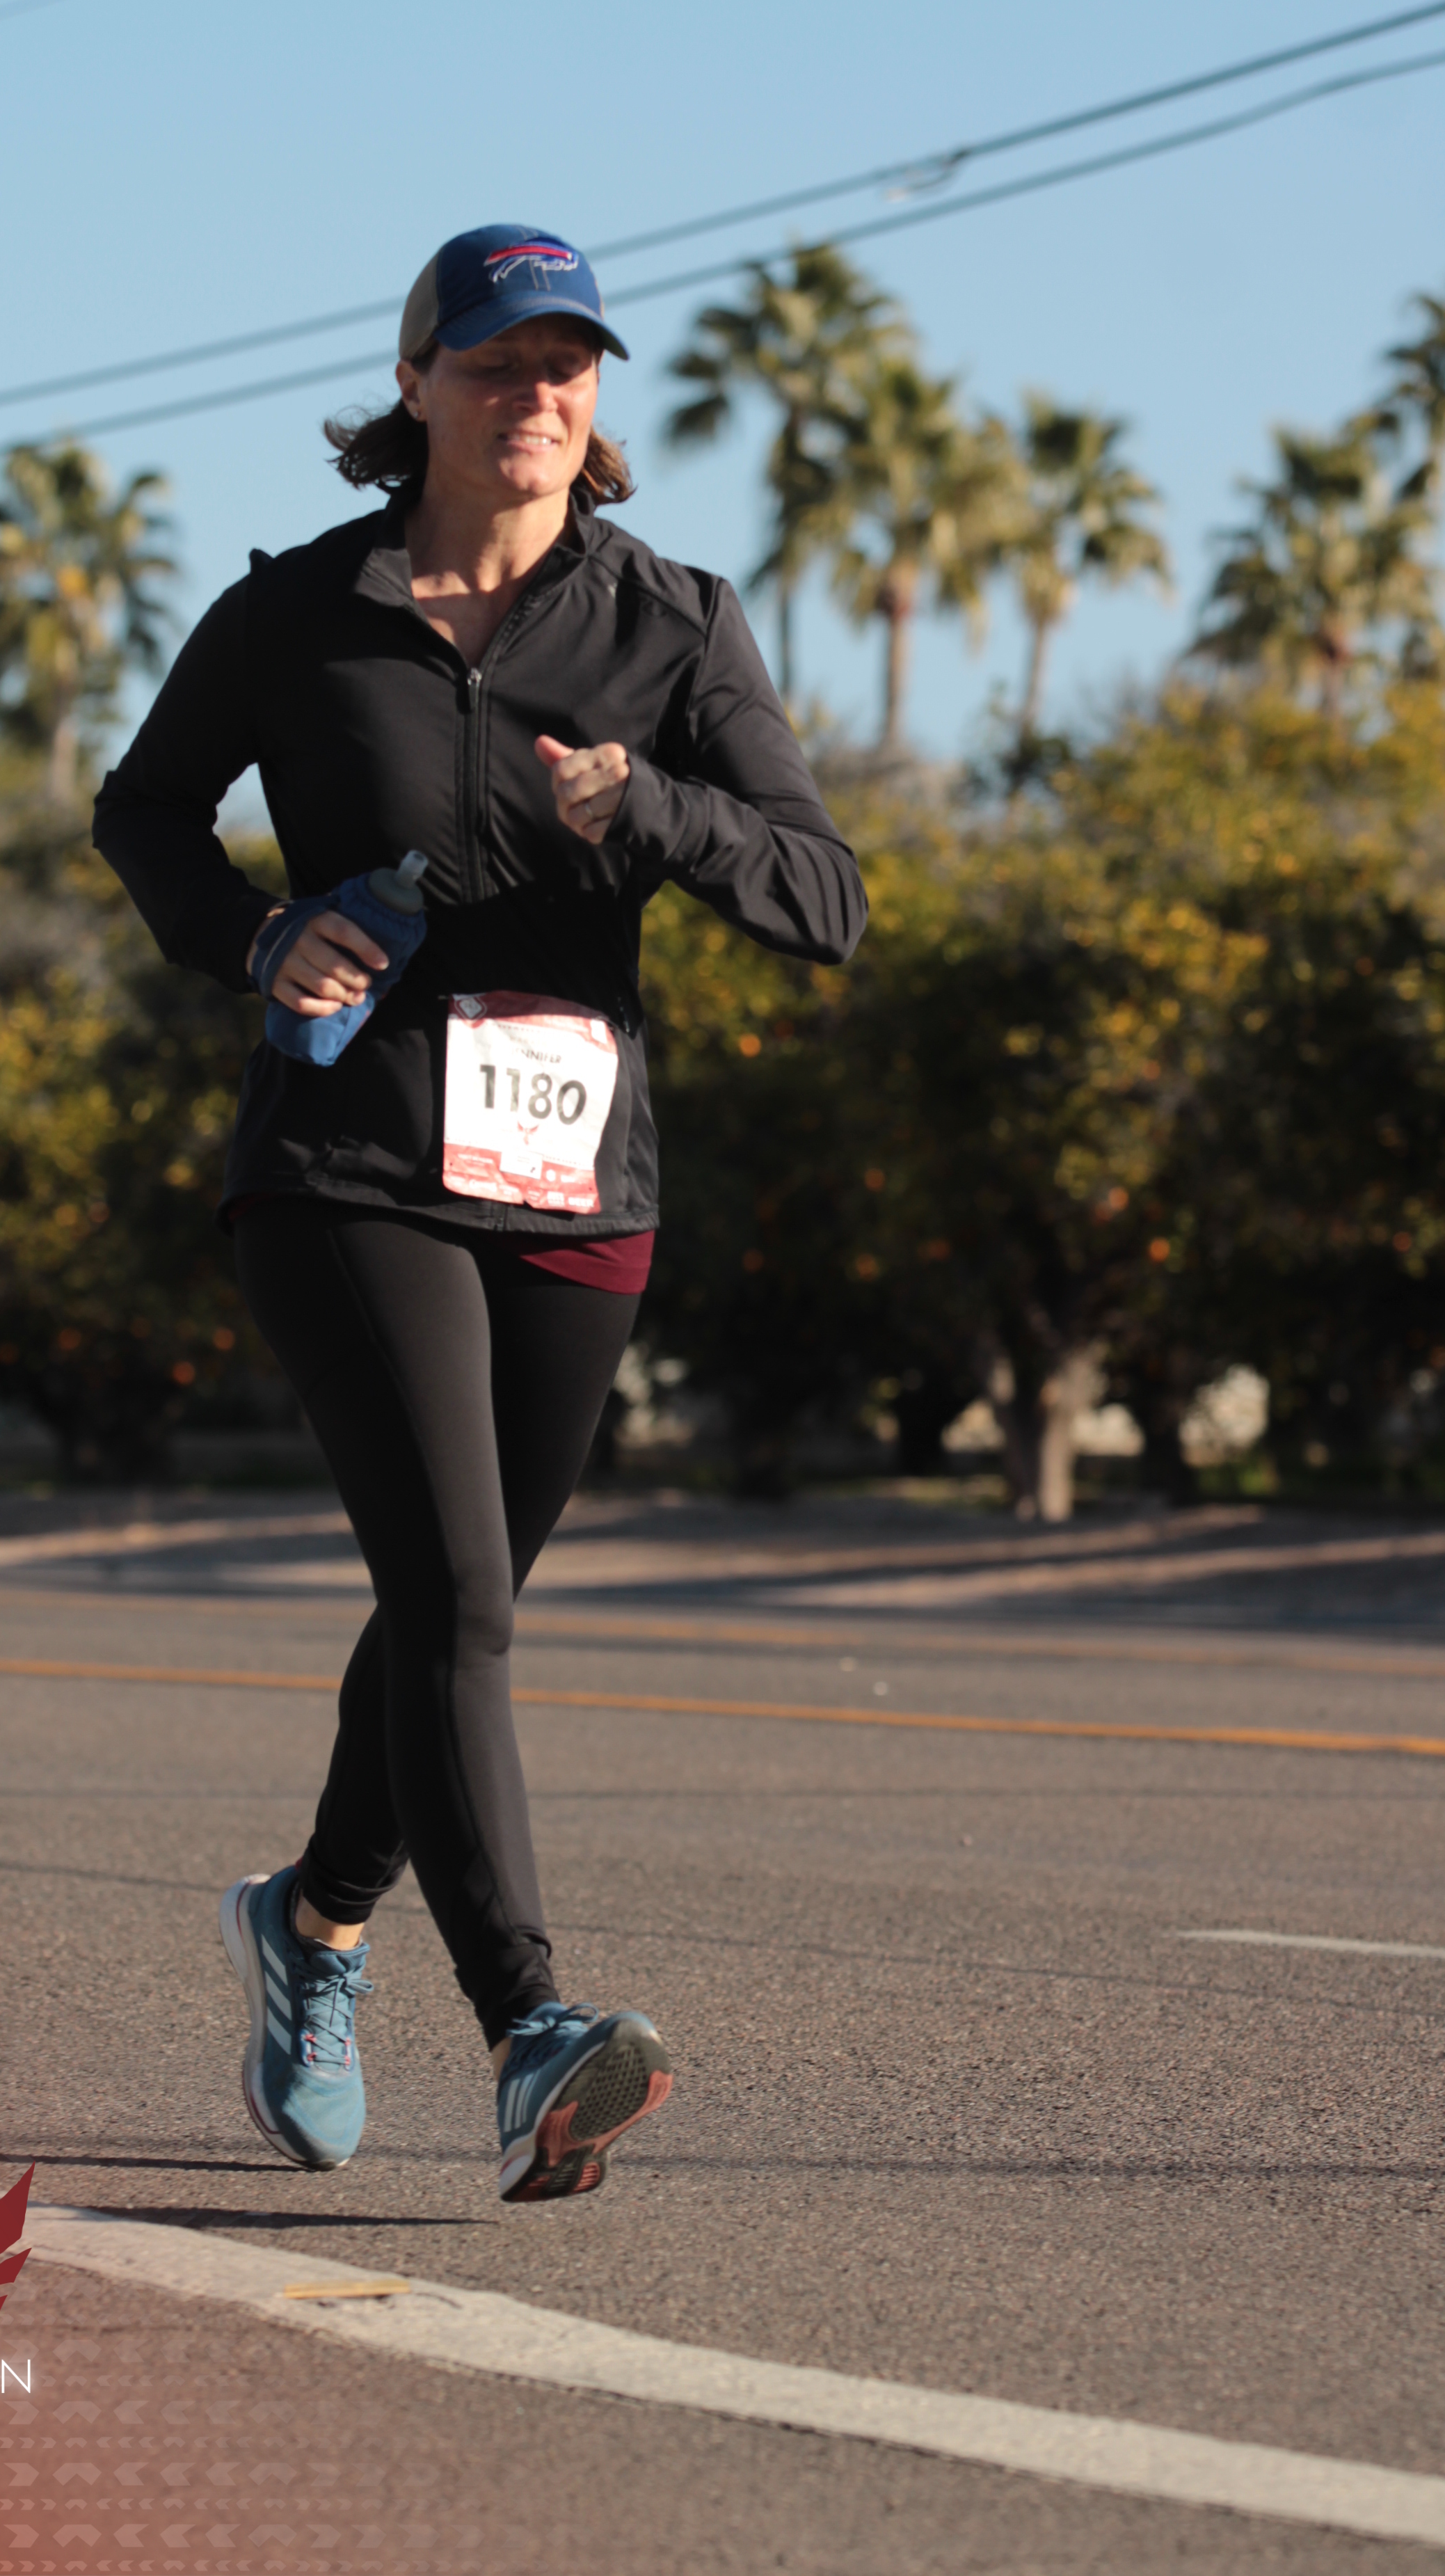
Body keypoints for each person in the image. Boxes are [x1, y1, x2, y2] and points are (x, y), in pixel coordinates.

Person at [93, 221, 868, 2204]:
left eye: (569, 367)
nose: (537, 396)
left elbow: (826, 900)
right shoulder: (299, 612)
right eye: (500, 363)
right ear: (417, 384)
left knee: (462, 1600)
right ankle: (531, 2029)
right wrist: (253, 936)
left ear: (594, 403)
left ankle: (310, 1923)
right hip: (349, 1164)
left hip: (572, 1183)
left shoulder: (674, 623)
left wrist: (655, 811)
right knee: (455, 1593)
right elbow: (143, 810)